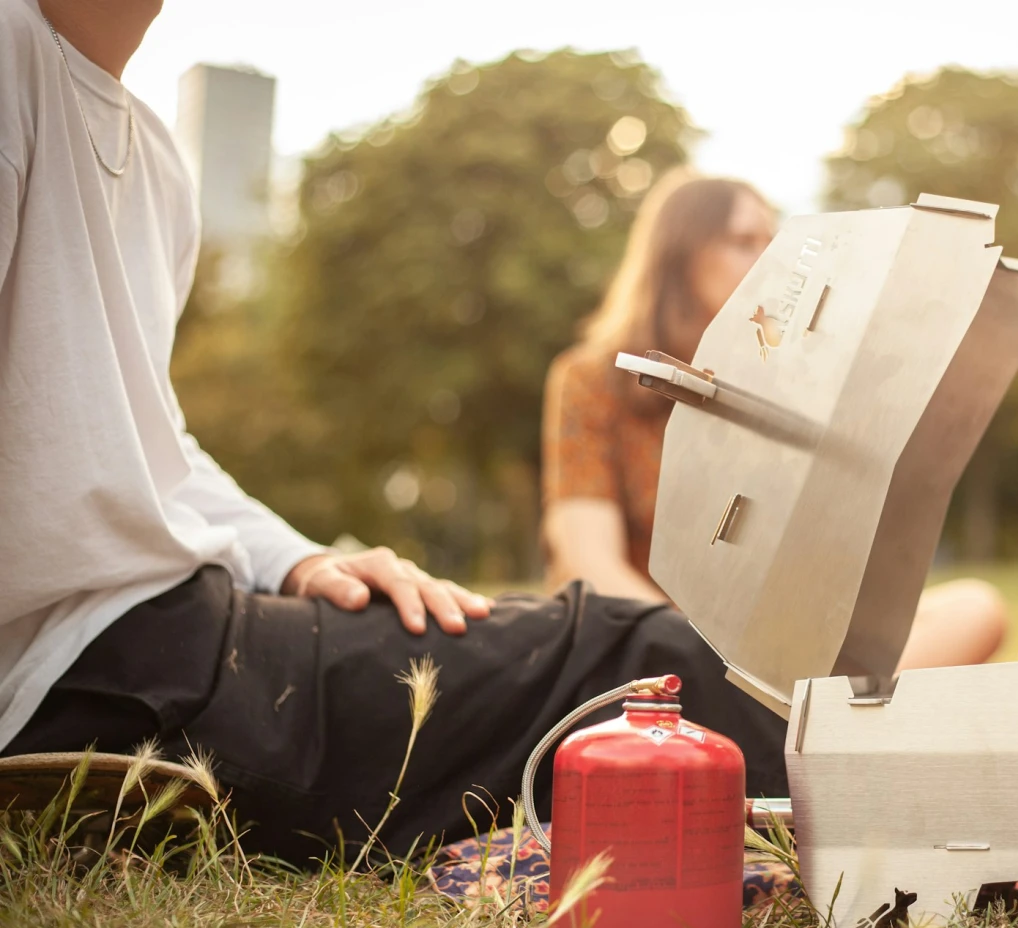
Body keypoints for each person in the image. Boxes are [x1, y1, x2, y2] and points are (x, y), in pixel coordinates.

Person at [0, 0, 787, 862]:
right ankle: (889, 795)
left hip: (193, 617)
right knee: (636, 662)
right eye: (743, 239)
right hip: (90, 674)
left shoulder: (154, 158)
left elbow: (146, 445)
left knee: (635, 653)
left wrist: (297, 559)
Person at [541, 169, 1010, 673]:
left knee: (976, 610)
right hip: (648, 647)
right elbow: (587, 562)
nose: (769, 259)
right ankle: (802, 724)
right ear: (678, 258)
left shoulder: (787, 381)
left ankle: (789, 720)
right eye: (743, 241)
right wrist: (699, 655)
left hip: (764, 651)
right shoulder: (591, 379)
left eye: (774, 241)